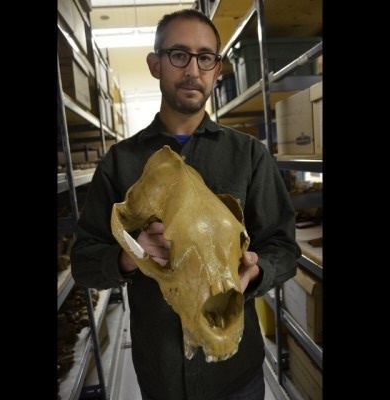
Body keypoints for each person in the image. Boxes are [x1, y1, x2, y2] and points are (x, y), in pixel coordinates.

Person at [71, 8, 301, 400]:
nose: (193, 69)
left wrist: (256, 271)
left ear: (217, 69)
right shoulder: (120, 163)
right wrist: (131, 255)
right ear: (155, 64)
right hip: (162, 376)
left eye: (205, 57)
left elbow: (284, 248)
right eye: (179, 54)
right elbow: (84, 261)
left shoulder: (248, 155)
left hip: (235, 377)